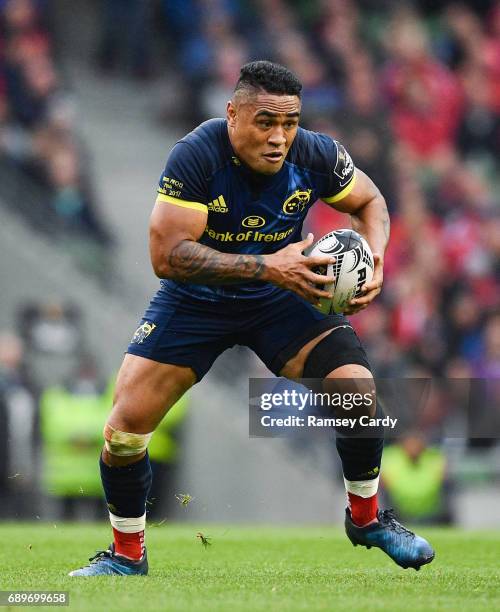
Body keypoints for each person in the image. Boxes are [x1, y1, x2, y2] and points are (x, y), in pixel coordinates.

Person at [69, 61, 434, 576]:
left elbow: (370, 201)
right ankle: (128, 557)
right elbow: (166, 256)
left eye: (289, 123)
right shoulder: (197, 155)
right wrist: (268, 265)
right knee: (124, 433)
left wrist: (373, 260)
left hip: (280, 295)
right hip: (198, 298)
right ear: (232, 114)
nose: (279, 137)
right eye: (265, 122)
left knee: (357, 389)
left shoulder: (316, 153)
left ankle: (367, 518)